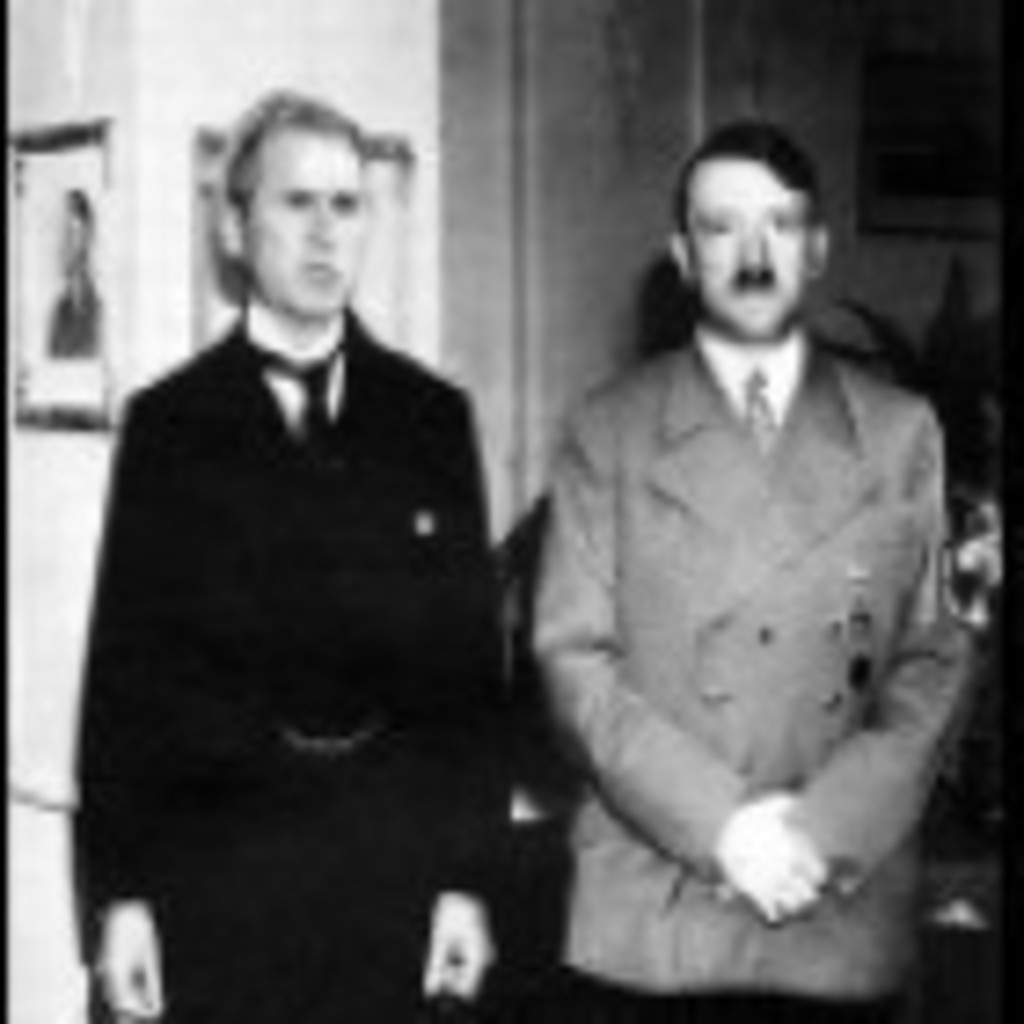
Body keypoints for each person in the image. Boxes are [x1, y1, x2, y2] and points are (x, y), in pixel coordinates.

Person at [75, 90, 507, 1024]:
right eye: (296, 202)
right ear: (235, 228)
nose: (324, 234)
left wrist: (468, 882)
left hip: (388, 895)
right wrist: (120, 900)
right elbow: (123, 684)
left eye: (346, 205)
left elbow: (471, 680)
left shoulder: (431, 419)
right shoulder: (170, 426)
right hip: (218, 891)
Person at [531, 120, 972, 1023]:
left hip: (834, 910)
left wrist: (821, 833)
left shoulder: (900, 433)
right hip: (658, 917)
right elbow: (574, 664)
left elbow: (933, 663)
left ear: (818, 250)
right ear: (683, 256)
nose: (755, 254)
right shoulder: (608, 430)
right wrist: (723, 827)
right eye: (722, 226)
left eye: (780, 224)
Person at [48, 188, 103, 360]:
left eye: (70, 202)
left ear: (77, 204)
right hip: (76, 267)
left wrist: (72, 265)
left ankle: (76, 347)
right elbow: (73, 247)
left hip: (77, 267)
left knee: (77, 305)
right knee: (75, 304)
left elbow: (78, 247)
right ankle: (77, 346)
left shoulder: (76, 222)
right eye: (68, 202)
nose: (67, 206)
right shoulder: (79, 222)